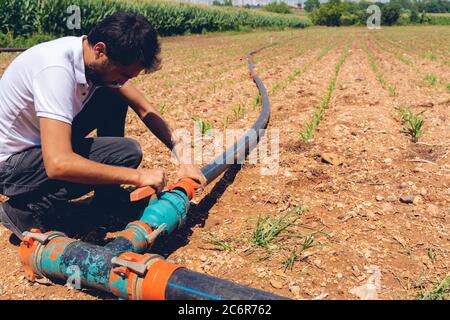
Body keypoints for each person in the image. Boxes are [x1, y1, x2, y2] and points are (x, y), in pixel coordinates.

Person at [0, 12, 206, 240]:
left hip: (38, 142)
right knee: (125, 154)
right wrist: (135, 177)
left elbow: (146, 110)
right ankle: (25, 210)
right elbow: (58, 164)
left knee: (114, 96)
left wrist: (184, 159)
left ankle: (107, 199)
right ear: (100, 49)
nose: (122, 81)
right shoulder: (56, 70)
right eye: (122, 74)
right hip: (11, 165)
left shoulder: (89, 59)